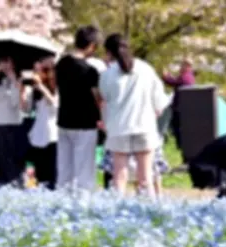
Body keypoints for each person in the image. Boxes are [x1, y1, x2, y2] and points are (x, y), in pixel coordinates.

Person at [99, 33, 168, 199]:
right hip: (144, 126)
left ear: (109, 53)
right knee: (145, 177)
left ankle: (116, 212)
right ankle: (148, 212)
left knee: (119, 177)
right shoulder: (146, 69)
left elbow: (104, 100)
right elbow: (160, 102)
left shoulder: (107, 75)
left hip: (118, 128)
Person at [55, 25, 103, 193]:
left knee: (64, 169)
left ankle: (62, 200)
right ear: (91, 45)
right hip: (85, 123)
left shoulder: (61, 64)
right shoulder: (89, 70)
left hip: (64, 120)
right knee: (84, 170)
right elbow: (98, 98)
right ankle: (83, 205)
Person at [0, 57, 30, 186]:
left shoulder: (20, 81)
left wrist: (13, 82)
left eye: (7, 62)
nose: (4, 65)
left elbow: (15, 103)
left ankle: (15, 185)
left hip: (13, 125)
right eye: (1, 62)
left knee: (11, 163)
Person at [28, 58, 59, 190]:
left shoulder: (57, 87)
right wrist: (22, 89)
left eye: (39, 71)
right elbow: (26, 108)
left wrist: (41, 87)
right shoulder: (35, 91)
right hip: (38, 135)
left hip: (53, 135)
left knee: (53, 174)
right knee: (40, 176)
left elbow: (56, 105)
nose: (36, 75)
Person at [162, 58, 195, 148]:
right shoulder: (189, 76)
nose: (181, 67)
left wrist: (166, 76)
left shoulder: (185, 76)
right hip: (183, 106)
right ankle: (181, 144)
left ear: (187, 66)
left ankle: (181, 145)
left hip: (180, 107)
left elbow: (174, 82)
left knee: (177, 127)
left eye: (183, 65)